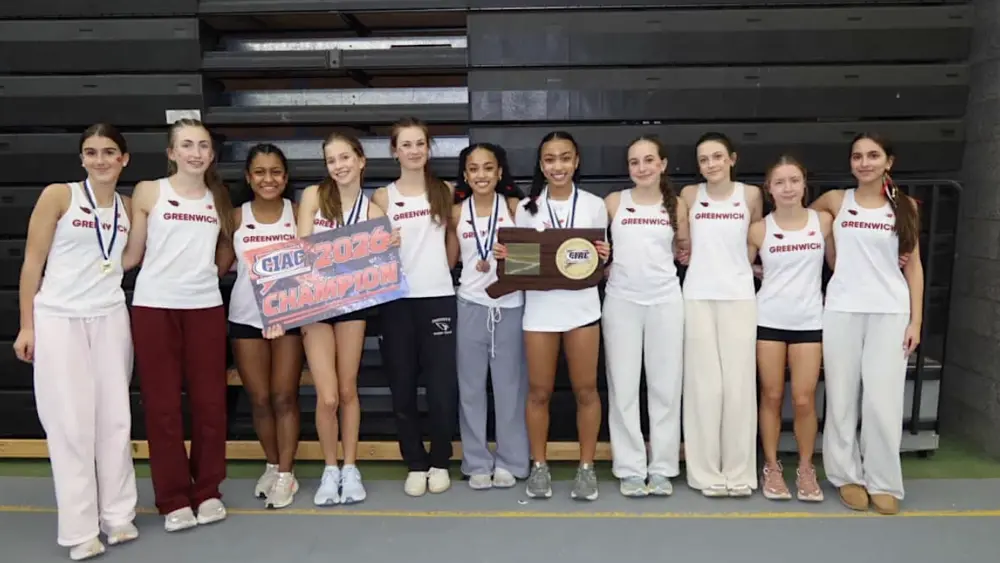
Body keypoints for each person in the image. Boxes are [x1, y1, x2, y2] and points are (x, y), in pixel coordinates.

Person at [15, 123, 138, 560]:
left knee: (115, 419)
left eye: (109, 152)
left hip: (108, 317)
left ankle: (119, 516)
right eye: (91, 152)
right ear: (81, 159)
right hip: (59, 318)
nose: (100, 160)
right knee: (70, 425)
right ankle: (79, 529)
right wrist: (27, 326)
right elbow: (33, 263)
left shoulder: (127, 206)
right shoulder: (59, 195)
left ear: (124, 159)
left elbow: (129, 257)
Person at [121, 118, 233, 531]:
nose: (196, 153)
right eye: (186, 145)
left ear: (211, 153)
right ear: (171, 153)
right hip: (154, 307)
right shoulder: (152, 191)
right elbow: (132, 253)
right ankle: (172, 498)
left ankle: (207, 491)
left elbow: (225, 253)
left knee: (209, 404)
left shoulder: (218, 196)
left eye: (203, 145)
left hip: (204, 307)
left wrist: (203, 277)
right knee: (163, 406)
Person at [809, 133, 923, 515]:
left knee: (882, 400)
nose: (865, 162)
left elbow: (915, 266)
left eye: (873, 156)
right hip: (842, 309)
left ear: (888, 162)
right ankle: (846, 476)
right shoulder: (836, 201)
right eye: (858, 156)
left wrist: (916, 321)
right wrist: (830, 252)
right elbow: (802, 225)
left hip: (890, 313)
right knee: (841, 397)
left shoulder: (905, 207)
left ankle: (884, 480)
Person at [494, 131, 610, 501]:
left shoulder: (594, 205)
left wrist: (603, 256)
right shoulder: (526, 207)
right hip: (541, 311)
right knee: (539, 392)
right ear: (541, 165)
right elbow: (525, 262)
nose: (557, 166)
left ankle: (587, 467)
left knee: (586, 391)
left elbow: (594, 262)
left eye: (564, 158)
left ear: (576, 161)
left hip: (583, 309)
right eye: (549, 160)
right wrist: (507, 257)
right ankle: (540, 466)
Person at [294, 132, 396, 505]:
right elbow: (305, 248)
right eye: (331, 160)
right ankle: (329, 468)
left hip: (353, 304)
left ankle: (351, 467)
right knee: (328, 395)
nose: (339, 166)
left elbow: (379, 266)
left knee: (349, 390)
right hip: (316, 305)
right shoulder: (313, 197)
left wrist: (387, 246)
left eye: (345, 158)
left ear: (361, 160)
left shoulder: (374, 212)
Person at [371, 117, 459, 497]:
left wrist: (442, 270)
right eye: (405, 144)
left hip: (438, 297)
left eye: (419, 143)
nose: (413, 150)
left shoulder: (444, 191)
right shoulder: (382, 198)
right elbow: (371, 253)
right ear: (394, 151)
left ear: (428, 147)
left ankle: (440, 459)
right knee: (402, 386)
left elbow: (452, 246)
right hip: (396, 301)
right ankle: (415, 462)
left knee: (440, 388)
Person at [216, 143, 304, 509]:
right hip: (246, 317)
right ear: (249, 178)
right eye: (260, 173)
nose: (269, 179)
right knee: (260, 398)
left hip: (290, 317)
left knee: (285, 396)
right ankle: (271, 464)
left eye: (276, 172)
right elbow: (217, 269)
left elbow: (324, 260)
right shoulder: (236, 218)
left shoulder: (298, 214)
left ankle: (287, 474)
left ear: (285, 177)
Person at [602, 135, 689, 498]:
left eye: (649, 160)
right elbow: (595, 252)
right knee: (623, 387)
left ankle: (664, 466)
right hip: (621, 302)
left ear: (663, 164)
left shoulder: (678, 205)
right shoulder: (613, 202)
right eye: (635, 162)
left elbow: (683, 250)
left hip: (666, 301)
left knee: (665, 388)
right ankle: (630, 467)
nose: (642, 168)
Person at [678, 132, 763, 498]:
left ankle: (739, 471)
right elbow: (680, 241)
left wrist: (743, 267)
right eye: (703, 159)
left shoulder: (751, 195)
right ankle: (705, 472)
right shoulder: (688, 196)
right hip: (697, 296)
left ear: (732, 158)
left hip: (740, 297)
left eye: (717, 157)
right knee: (704, 387)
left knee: (739, 387)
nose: (710, 164)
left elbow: (755, 238)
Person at [747, 155, 832, 502]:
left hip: (810, 321)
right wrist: (755, 272)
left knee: (803, 398)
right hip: (768, 320)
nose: (787, 188)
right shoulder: (758, 229)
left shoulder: (823, 222)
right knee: (770, 395)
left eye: (794, 180)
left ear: (804, 184)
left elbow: (842, 264)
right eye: (779, 182)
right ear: (769, 189)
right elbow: (738, 267)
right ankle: (771, 465)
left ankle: (807, 468)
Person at [450, 142, 528, 490]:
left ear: (499, 172)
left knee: (510, 389)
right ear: (465, 175)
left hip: (509, 306)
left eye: (488, 168)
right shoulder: (456, 212)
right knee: (470, 389)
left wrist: (510, 257)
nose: (481, 175)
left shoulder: (515, 208)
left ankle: (511, 460)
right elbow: (450, 261)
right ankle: (476, 461)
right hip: (469, 305)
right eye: (474, 169)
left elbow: (531, 265)